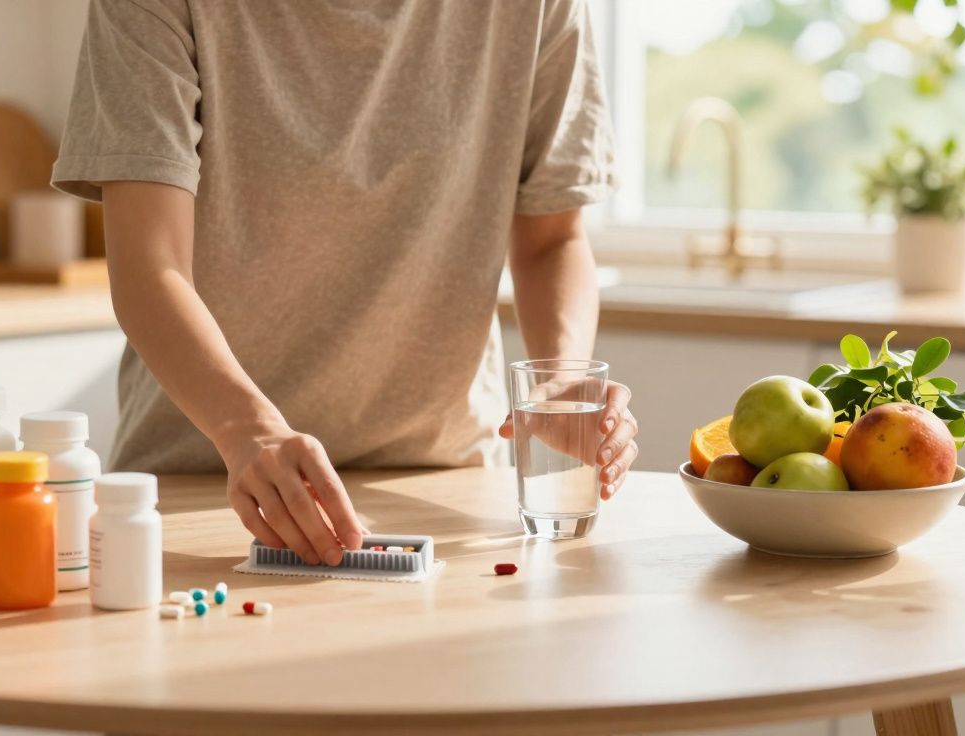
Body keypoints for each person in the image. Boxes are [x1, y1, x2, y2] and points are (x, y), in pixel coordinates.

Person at [52, 0, 639, 566]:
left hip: (447, 480)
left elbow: (552, 238)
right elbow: (150, 265)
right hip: (205, 479)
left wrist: (560, 383)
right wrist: (246, 430)